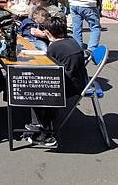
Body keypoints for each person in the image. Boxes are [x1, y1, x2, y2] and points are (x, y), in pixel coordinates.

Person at [25, 17, 87, 148]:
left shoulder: (54, 47)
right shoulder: (71, 40)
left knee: (33, 89)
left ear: (47, 33)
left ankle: (41, 131)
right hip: (81, 81)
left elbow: (49, 71)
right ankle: (43, 124)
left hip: (69, 87)